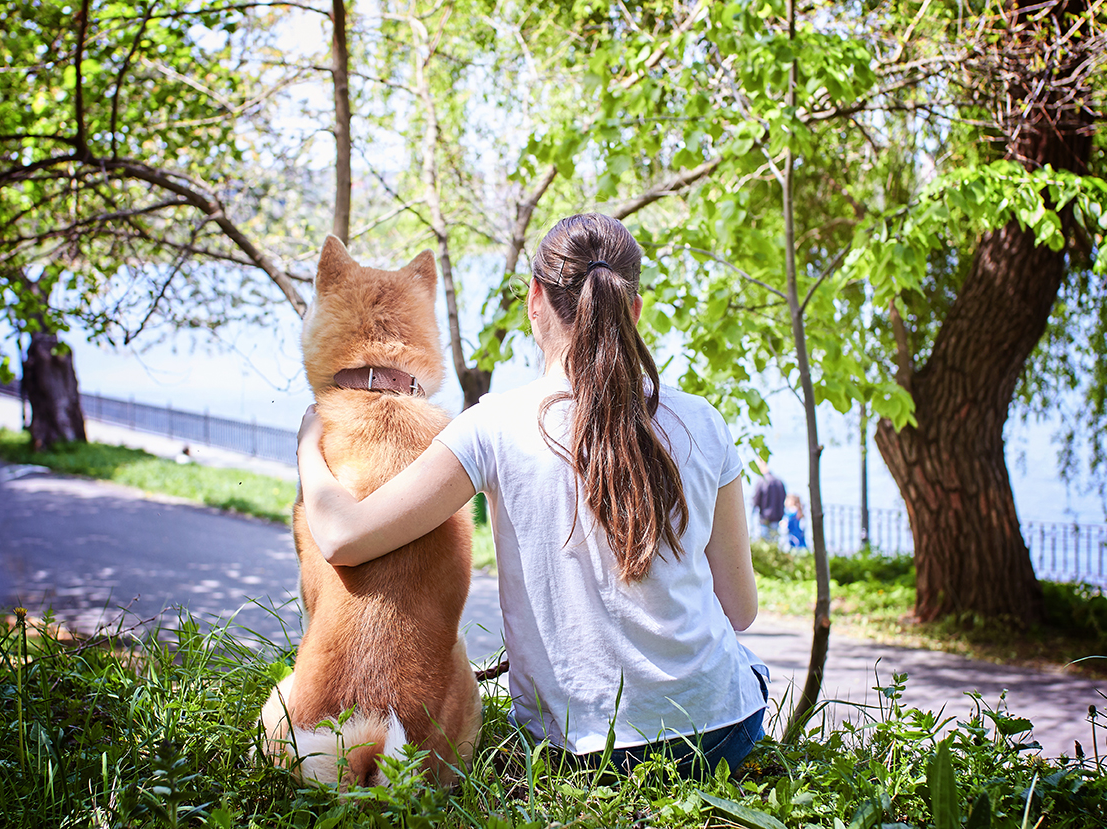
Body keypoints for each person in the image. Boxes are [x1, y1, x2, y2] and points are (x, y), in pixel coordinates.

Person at [297, 213, 768, 778]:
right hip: (717, 734)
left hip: (575, 752)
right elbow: (739, 613)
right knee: (749, 666)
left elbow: (343, 538)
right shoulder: (703, 421)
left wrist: (310, 438)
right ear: (633, 311)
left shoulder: (491, 426)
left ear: (535, 300)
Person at [751, 461, 786, 541]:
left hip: (764, 518)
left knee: (764, 541)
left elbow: (756, 501)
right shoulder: (778, 481)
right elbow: (784, 498)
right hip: (777, 517)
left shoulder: (761, 481)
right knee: (774, 541)